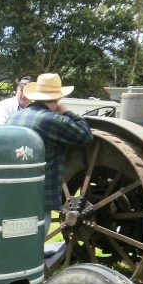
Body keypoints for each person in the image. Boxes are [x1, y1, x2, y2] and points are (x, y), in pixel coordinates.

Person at [9, 73, 94, 239]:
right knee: (34, 242)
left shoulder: (14, 118)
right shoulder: (53, 120)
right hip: (39, 198)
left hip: (14, 193)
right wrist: (67, 111)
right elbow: (85, 134)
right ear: (57, 99)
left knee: (15, 241)